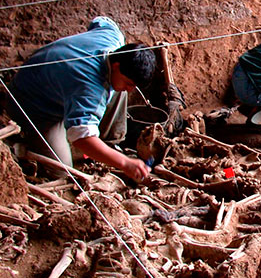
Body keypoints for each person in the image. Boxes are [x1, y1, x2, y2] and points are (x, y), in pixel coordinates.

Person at [6, 16, 156, 181]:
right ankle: (19, 146)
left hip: (49, 83)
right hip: (32, 106)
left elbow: (101, 21)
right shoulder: (89, 88)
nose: (130, 90)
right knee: (62, 173)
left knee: (119, 90)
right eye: (129, 83)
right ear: (116, 65)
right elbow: (81, 138)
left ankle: (111, 144)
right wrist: (125, 163)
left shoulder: (113, 38)